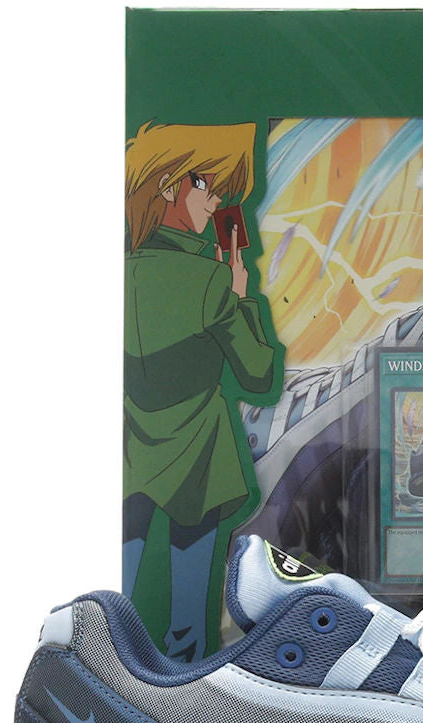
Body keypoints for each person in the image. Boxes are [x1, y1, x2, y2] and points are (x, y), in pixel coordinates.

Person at [123, 121, 282, 659]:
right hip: (198, 464)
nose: (216, 203)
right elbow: (259, 376)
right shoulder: (210, 282)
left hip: (129, 458)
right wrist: (239, 295)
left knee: (116, 601)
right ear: (169, 187)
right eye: (207, 186)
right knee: (189, 630)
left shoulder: (121, 273)